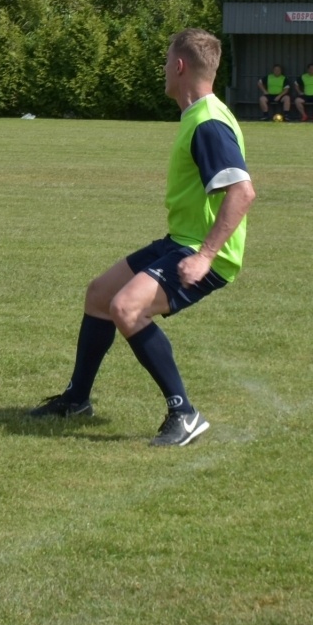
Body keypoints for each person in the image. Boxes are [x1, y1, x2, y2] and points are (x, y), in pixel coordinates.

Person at [30, 28, 255, 447]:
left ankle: (184, 413)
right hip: (181, 240)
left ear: (181, 66)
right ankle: (77, 400)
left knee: (126, 307)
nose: (164, 68)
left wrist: (206, 255)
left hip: (203, 252)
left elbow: (242, 193)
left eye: (167, 60)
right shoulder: (201, 116)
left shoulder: (208, 124)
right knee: (100, 294)